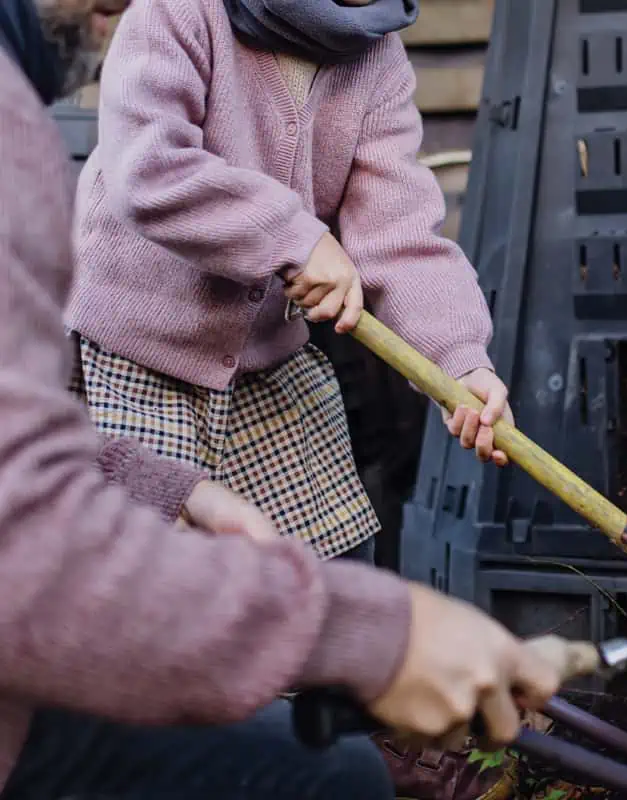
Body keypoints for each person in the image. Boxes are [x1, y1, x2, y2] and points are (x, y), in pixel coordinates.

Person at [0, 0, 571, 796]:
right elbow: (147, 169)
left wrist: (460, 360)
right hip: (137, 355)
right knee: (167, 588)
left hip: (266, 366)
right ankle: (224, 749)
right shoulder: (179, 14)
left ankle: (349, 747)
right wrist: (294, 235)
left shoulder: (374, 58)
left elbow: (400, 235)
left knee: (326, 554)